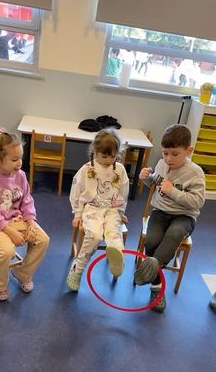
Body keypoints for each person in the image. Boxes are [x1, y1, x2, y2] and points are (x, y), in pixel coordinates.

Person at [134, 124, 205, 312]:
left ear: (188, 151)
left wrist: (173, 192)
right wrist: (146, 178)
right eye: (165, 153)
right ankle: (155, 278)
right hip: (160, 212)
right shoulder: (162, 163)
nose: (168, 159)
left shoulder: (195, 172)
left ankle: (156, 287)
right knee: (152, 241)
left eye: (174, 154)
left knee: (174, 234)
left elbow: (197, 202)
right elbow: (156, 183)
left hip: (184, 216)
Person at [0, 123, 50, 301]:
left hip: (15, 217)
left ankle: (22, 273)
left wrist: (31, 222)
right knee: (7, 251)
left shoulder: (20, 175)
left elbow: (27, 200)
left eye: (21, 158)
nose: (19, 163)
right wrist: (10, 231)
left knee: (43, 239)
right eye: (14, 159)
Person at [67, 128, 129, 291]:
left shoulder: (120, 170)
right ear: (95, 151)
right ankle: (77, 269)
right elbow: (76, 191)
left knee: (114, 236)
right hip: (92, 209)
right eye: (104, 156)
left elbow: (124, 192)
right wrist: (77, 213)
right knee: (93, 237)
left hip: (111, 210)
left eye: (113, 156)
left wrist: (121, 213)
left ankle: (117, 257)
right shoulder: (87, 169)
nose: (109, 160)